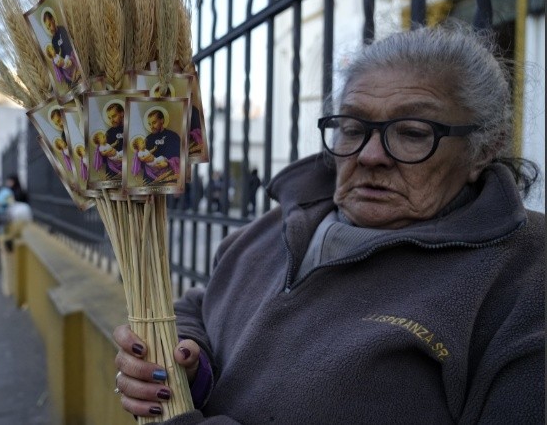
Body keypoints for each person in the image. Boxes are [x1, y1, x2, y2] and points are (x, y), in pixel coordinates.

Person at [111, 25, 544, 423]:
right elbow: (204, 304)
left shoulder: (523, 279)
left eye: (412, 132)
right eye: (352, 128)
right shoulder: (284, 220)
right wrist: (190, 363)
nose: (371, 155)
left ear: (484, 149)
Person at [139, 108, 181, 184]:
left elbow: (178, 156)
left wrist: (167, 163)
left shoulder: (173, 136)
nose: (151, 126)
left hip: (168, 177)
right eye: (149, 124)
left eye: (154, 122)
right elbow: (142, 163)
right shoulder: (147, 139)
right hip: (150, 179)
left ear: (162, 120)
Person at [42, 9, 80, 86]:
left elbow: (71, 47)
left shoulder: (62, 29)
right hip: (66, 66)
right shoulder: (53, 41)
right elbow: (58, 56)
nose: (50, 29)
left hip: (73, 60)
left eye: (49, 25)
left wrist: (71, 60)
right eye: (48, 28)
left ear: (53, 19)